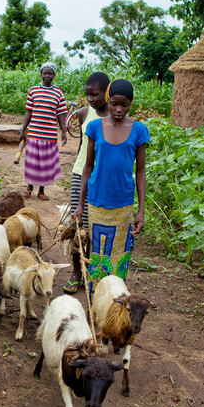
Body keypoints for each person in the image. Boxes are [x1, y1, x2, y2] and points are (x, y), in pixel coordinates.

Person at [74, 78, 149, 293]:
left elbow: (141, 171)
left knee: (119, 256)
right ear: (108, 100)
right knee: (97, 255)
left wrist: (141, 210)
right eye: (114, 103)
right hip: (97, 202)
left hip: (123, 204)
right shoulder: (94, 127)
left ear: (131, 104)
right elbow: (87, 168)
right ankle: (96, 300)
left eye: (124, 105)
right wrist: (80, 205)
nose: (118, 109)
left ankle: (114, 301)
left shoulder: (139, 130)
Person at [63, 71, 110, 293]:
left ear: (107, 92)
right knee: (78, 225)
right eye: (87, 94)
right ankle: (76, 272)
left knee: (95, 227)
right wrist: (79, 171)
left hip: (102, 178)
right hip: (80, 174)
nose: (90, 99)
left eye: (95, 94)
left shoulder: (114, 115)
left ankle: (91, 271)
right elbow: (82, 148)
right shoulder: (83, 114)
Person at [19, 63, 67, 200]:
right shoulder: (33, 91)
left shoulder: (58, 93)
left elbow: (61, 115)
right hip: (34, 133)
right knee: (32, 162)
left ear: (54, 75)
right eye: (45, 73)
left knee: (45, 164)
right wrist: (23, 130)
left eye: (50, 73)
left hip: (50, 134)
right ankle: (29, 188)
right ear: (41, 74)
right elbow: (28, 112)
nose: (47, 76)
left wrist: (64, 132)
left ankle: (41, 190)